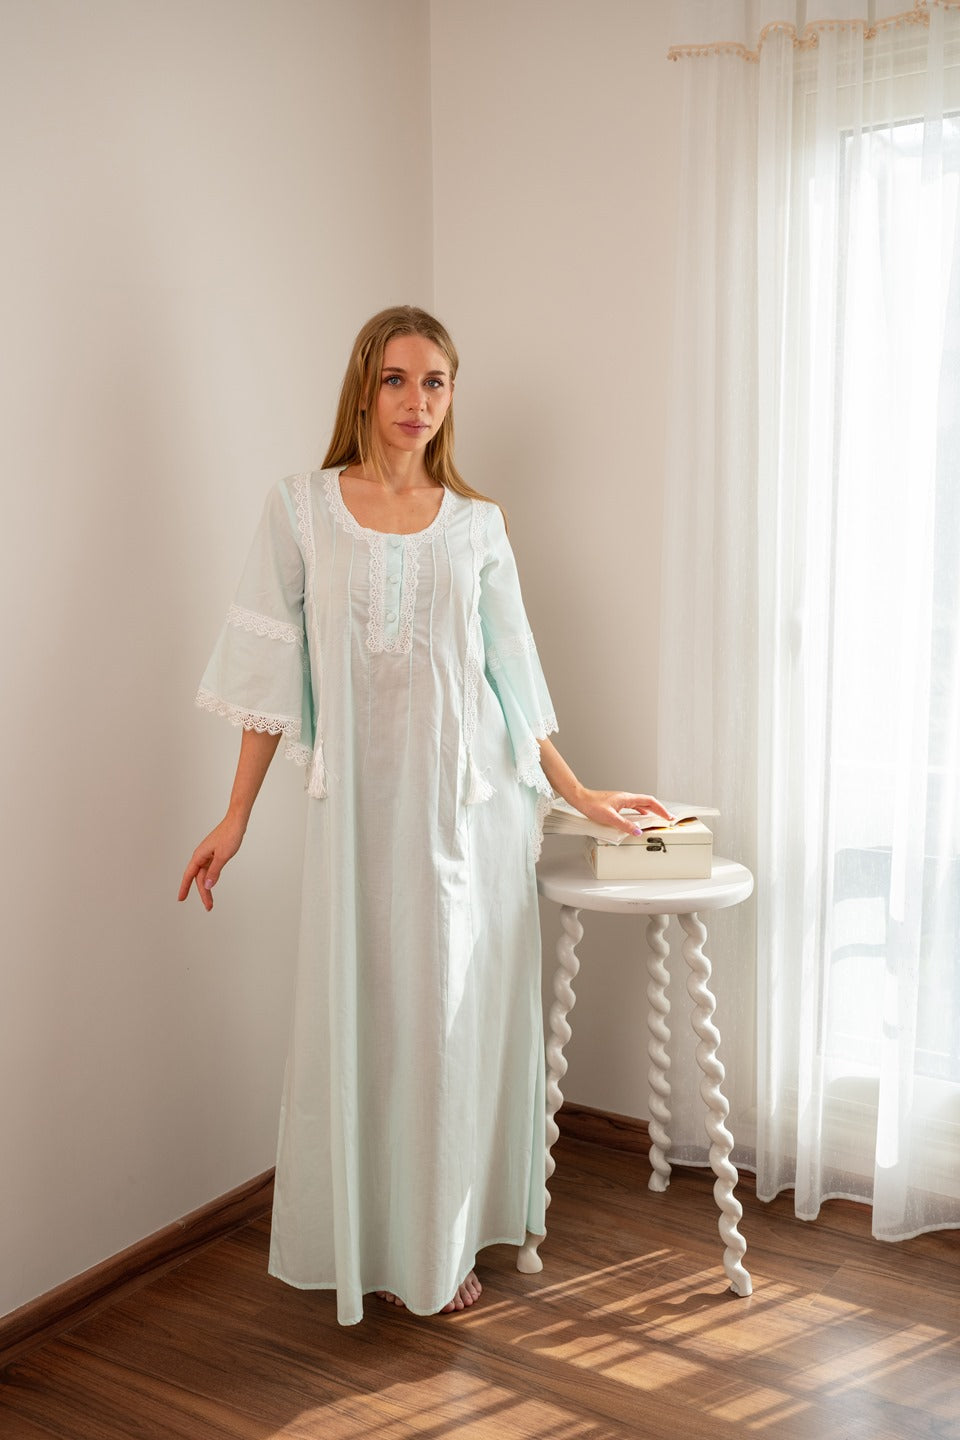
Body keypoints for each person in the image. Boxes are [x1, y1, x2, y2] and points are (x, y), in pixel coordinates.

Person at [179, 305, 670, 1324]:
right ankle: (364, 1234)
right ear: (365, 387)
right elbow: (268, 670)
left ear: (453, 395)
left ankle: (439, 1248)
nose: (417, 401)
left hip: (465, 812)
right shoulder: (301, 510)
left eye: (435, 382)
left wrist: (579, 793)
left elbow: (510, 679)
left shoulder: (476, 526)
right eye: (397, 379)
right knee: (365, 1011)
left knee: (445, 1018)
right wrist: (235, 816)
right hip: (357, 813)